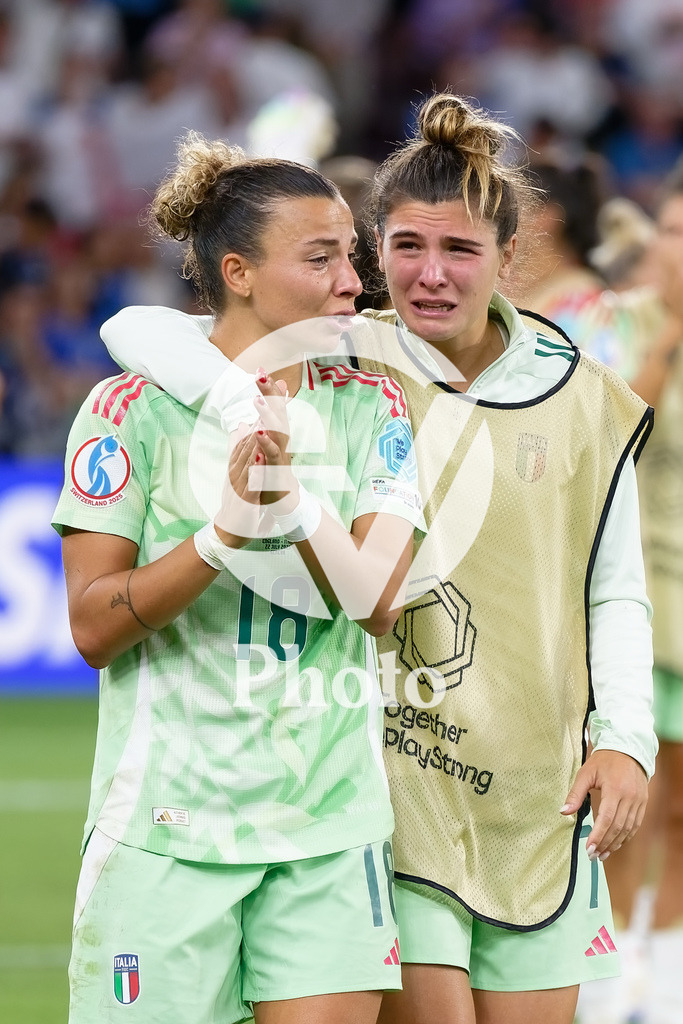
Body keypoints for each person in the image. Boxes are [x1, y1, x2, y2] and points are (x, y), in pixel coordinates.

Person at [101, 94, 657, 1024]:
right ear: (372, 250)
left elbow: (614, 587)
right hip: (391, 784)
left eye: (460, 251)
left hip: (535, 789)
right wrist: (246, 406)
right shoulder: (339, 357)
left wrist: (625, 739)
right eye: (404, 248)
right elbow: (142, 331)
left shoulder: (582, 394)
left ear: (508, 259)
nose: (429, 275)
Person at [53, 133, 427, 1024]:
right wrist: (221, 539)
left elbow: (378, 604)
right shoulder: (126, 411)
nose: (352, 281)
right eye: (321, 257)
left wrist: (290, 507)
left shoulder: (372, 404)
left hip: (328, 829)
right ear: (239, 272)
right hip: (166, 832)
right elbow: (94, 628)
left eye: (352, 256)